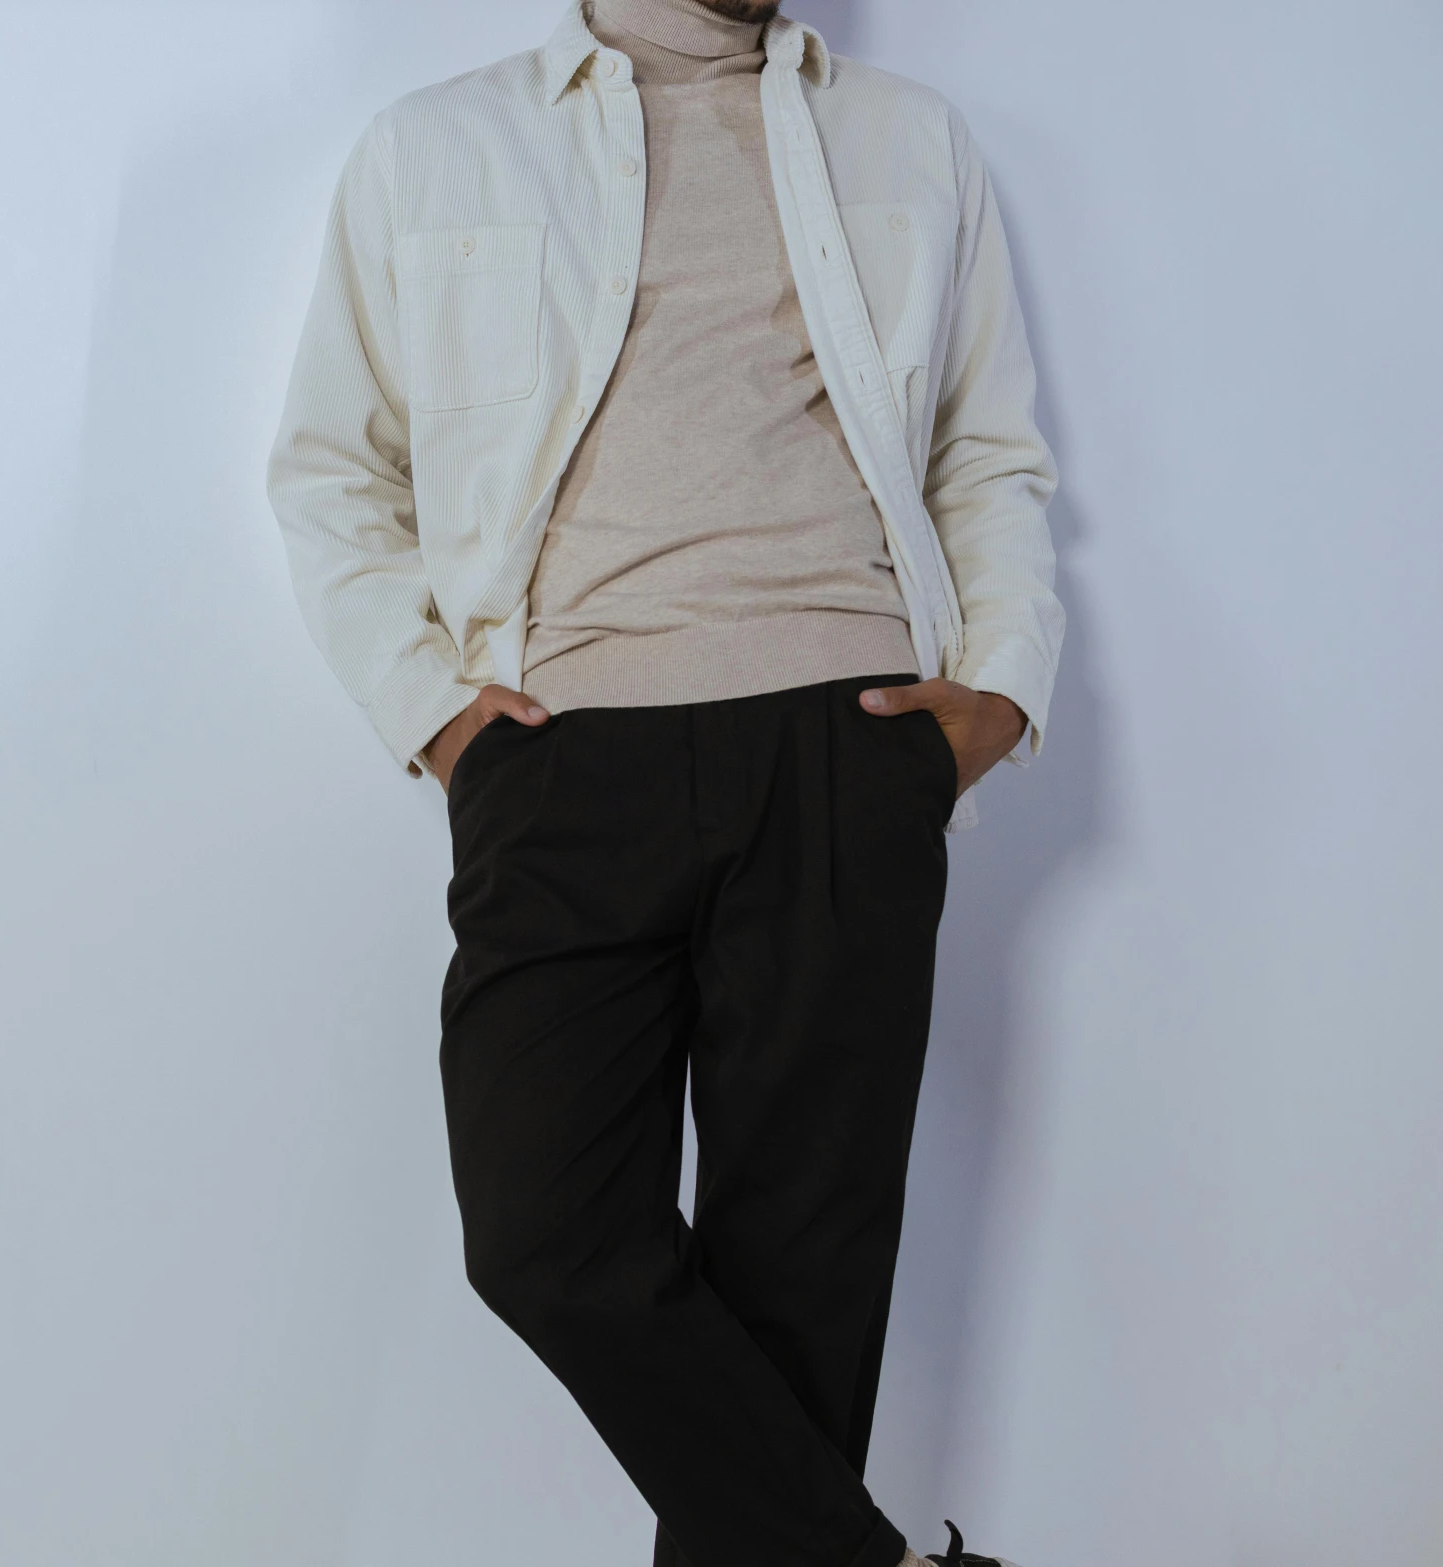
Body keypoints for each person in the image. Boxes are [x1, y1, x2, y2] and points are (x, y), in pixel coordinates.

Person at [264, 2, 1062, 1564]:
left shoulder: (908, 139)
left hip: (847, 745)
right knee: (542, 1232)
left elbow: (987, 452)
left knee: (798, 1295)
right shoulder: (431, 147)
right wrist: (436, 716)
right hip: (562, 757)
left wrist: (995, 700)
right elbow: (332, 470)